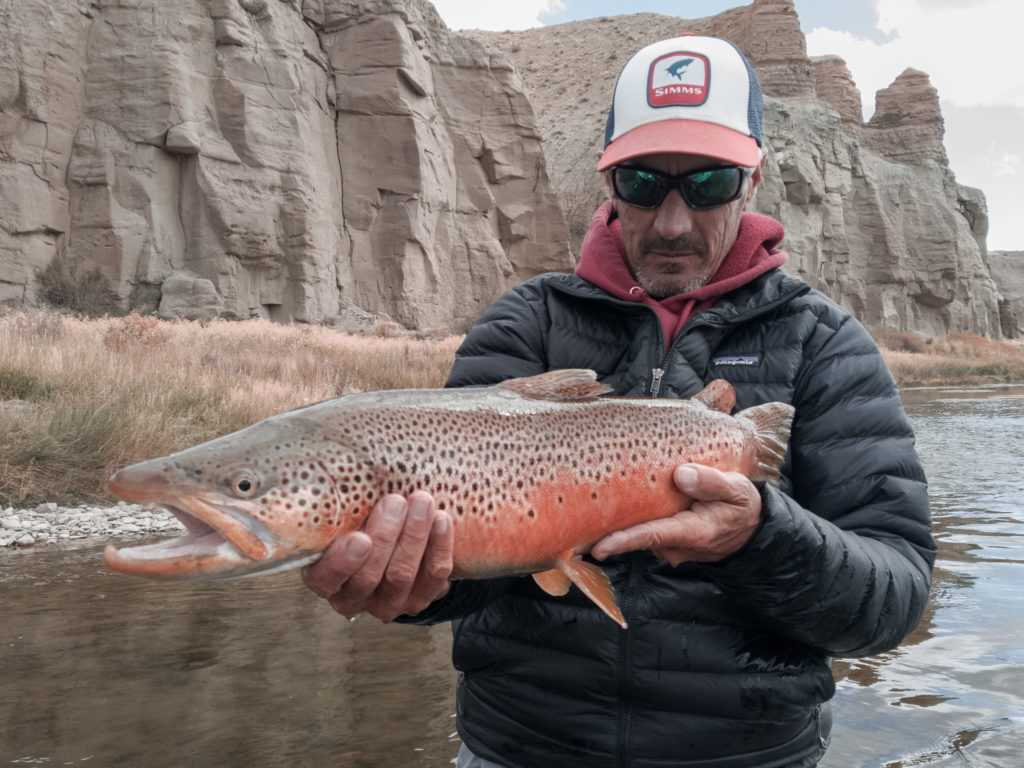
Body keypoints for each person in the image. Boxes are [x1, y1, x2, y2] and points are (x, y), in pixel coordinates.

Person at [303, 35, 934, 768]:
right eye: (642, 182)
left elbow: (894, 600)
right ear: (609, 183)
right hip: (521, 749)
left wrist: (760, 536)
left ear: (753, 181)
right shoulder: (525, 324)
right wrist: (409, 588)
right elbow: (457, 584)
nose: (671, 221)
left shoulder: (824, 343)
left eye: (707, 185)